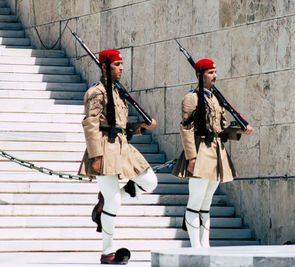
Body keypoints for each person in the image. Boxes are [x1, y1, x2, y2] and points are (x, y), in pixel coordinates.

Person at [78, 49, 158, 264]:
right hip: (104, 147)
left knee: (150, 181)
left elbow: (120, 125)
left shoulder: (118, 91)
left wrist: (141, 126)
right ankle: (107, 252)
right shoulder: (96, 92)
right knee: (113, 201)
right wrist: (96, 155)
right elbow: (91, 124)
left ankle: (103, 204)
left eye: (121, 64)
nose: (121, 68)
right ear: (104, 66)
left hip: (123, 146)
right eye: (116, 64)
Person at [172, 58, 253, 248]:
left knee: (206, 202)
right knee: (196, 200)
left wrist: (238, 131)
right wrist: (191, 157)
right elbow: (186, 128)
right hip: (201, 151)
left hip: (216, 152)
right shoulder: (191, 98)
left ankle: (204, 245)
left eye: (215, 72)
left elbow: (221, 128)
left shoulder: (215, 98)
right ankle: (195, 247)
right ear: (199, 75)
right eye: (210, 72)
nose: (214, 75)